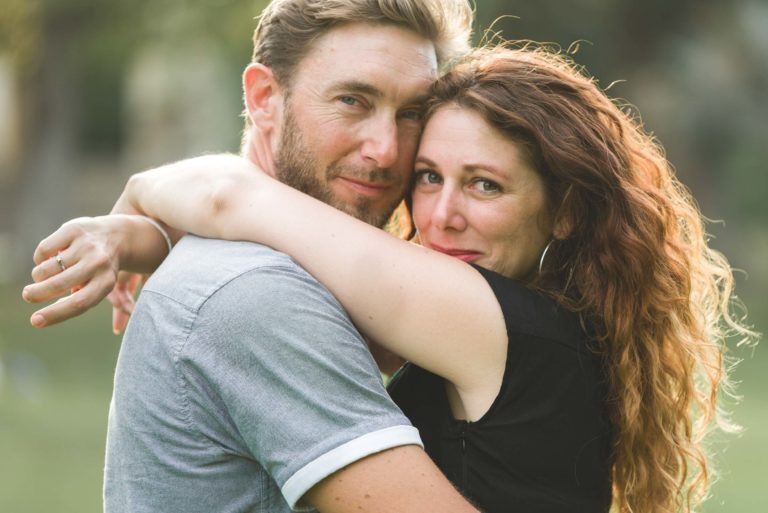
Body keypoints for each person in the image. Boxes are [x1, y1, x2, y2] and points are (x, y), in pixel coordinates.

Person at [25, 42, 758, 512]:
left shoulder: (490, 321)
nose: (441, 215)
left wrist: (136, 201)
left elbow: (230, 195)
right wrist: (150, 239)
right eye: (430, 176)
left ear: (563, 212)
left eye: (485, 186)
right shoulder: (542, 325)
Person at [24, 1, 486, 513]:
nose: (386, 150)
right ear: (264, 97)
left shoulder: (268, 264)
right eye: (353, 100)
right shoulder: (256, 293)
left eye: (412, 113)